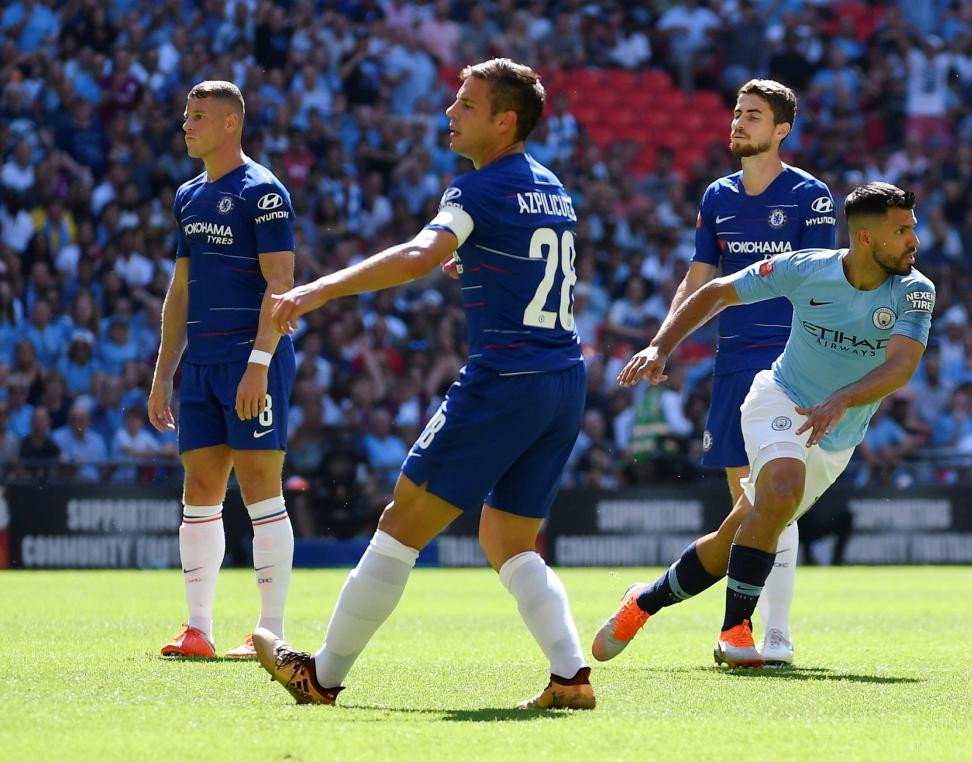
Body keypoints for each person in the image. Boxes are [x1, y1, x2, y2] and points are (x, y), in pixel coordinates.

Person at [253, 59, 594, 710]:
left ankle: (319, 678)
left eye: (466, 105)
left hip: (504, 377)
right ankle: (570, 676)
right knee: (506, 539)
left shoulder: (476, 189)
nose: (449, 113)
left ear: (504, 121)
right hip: (563, 379)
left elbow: (418, 254)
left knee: (401, 521)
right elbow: (516, 263)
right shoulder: (552, 187)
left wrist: (320, 288)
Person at [600, 182, 933, 667]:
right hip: (779, 398)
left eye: (913, 229)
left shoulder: (915, 291)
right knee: (780, 487)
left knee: (735, 536)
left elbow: (901, 367)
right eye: (901, 230)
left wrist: (840, 400)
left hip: (835, 436)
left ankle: (643, 601)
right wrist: (659, 346)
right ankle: (735, 632)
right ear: (865, 238)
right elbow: (717, 292)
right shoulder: (807, 268)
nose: (913, 241)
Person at [592, 78, 836, 666]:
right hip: (733, 366)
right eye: (736, 112)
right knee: (749, 504)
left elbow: (824, 282)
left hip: (790, 363)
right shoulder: (718, 197)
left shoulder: (812, 197)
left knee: (777, 496)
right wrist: (660, 345)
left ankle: (768, 630)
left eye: (753, 115)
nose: (739, 122)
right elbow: (698, 281)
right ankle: (713, 620)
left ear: (782, 130)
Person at [148, 81, 297, 660]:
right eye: (187, 115)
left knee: (261, 488)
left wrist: (259, 363)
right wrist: (163, 376)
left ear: (231, 123)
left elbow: (280, 284)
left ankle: (271, 631)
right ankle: (198, 629)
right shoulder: (188, 196)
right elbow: (181, 289)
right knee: (201, 489)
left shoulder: (263, 192)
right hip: (203, 365)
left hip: (250, 360)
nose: (187, 125)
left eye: (200, 116)